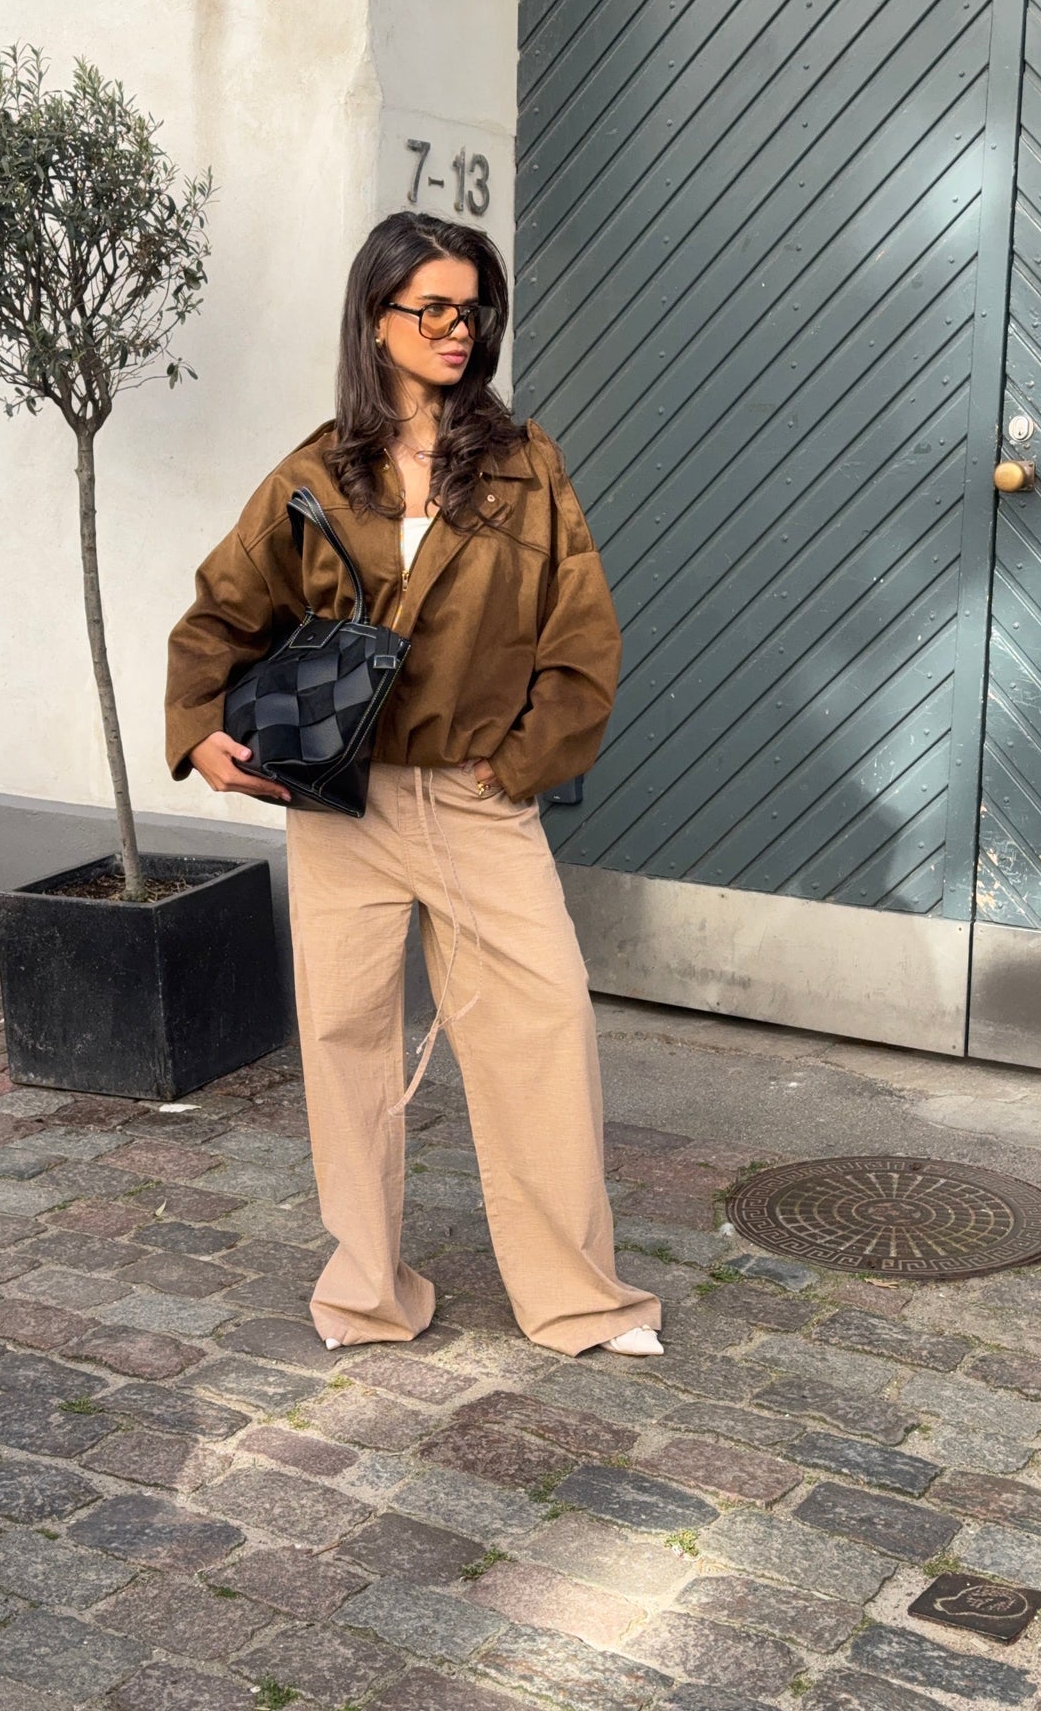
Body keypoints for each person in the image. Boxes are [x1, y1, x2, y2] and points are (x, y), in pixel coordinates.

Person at [165, 211, 662, 1359]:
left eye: (471, 309)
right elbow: (224, 611)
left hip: (478, 800)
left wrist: (521, 763)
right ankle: (366, 1294)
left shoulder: (525, 466)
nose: (456, 328)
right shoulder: (314, 472)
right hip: (340, 805)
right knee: (345, 1042)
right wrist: (199, 727)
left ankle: (578, 1299)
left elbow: (582, 637)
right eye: (431, 307)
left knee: (545, 1022)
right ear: (375, 319)